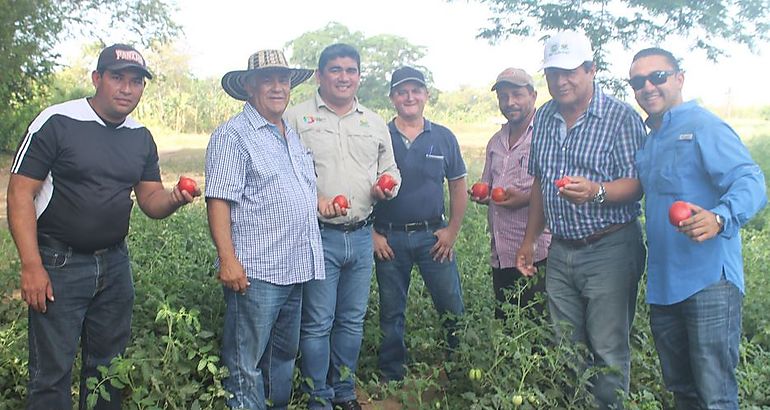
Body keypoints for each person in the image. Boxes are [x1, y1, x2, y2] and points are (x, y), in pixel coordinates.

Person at [7, 43, 199, 409]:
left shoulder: (139, 136)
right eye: (117, 78)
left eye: (136, 82)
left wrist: (174, 198)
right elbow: (20, 194)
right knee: (51, 373)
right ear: (97, 79)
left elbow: (150, 199)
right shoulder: (58, 121)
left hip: (114, 265)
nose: (127, 88)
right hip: (58, 263)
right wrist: (32, 266)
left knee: (109, 369)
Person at [514, 31, 647, 409]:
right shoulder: (544, 116)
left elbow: (637, 184)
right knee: (566, 345)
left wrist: (596, 191)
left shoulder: (620, 117)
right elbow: (540, 180)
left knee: (606, 347)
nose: (560, 81)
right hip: (561, 249)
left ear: (591, 70)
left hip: (610, 246)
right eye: (553, 73)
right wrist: (529, 240)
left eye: (570, 72)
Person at [630, 47, 767, 409]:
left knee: (715, 395)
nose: (647, 87)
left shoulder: (705, 126)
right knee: (683, 392)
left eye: (657, 76)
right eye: (637, 81)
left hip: (709, 282)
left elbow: (751, 182)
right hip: (664, 287)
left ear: (679, 78)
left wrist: (720, 216)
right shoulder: (650, 141)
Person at [284, 43, 401, 410]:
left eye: (351, 70)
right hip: (318, 235)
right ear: (320, 75)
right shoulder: (296, 118)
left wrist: (388, 185)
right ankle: (318, 395)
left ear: (359, 77)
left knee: (351, 320)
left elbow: (390, 169)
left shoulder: (374, 120)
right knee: (318, 321)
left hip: (363, 234)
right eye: (335, 70)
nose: (344, 77)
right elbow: (283, 176)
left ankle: (345, 391)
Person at [206, 49, 323, 410]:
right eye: (267, 80)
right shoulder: (234, 135)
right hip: (256, 272)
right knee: (245, 362)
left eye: (283, 80)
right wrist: (228, 259)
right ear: (248, 86)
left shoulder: (290, 133)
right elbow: (219, 201)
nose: (277, 87)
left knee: (282, 356)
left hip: (295, 267)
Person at [372, 66, 467, 382]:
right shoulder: (378, 136)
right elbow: (362, 187)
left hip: (433, 237)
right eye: (402, 91)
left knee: (451, 305)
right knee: (391, 311)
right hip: (390, 239)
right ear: (393, 98)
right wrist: (373, 233)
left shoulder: (442, 137)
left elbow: (457, 185)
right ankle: (390, 374)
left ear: (426, 95)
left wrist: (452, 231)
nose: (409, 96)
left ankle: (459, 369)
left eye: (415, 90)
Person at [471, 68, 552, 320]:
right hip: (502, 251)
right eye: (503, 97)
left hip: (538, 252)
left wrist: (525, 198)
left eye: (517, 95)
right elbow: (488, 183)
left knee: (537, 325)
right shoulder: (496, 141)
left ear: (533, 95)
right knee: (506, 322)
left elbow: (558, 187)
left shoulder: (546, 134)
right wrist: (483, 195)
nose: (510, 103)